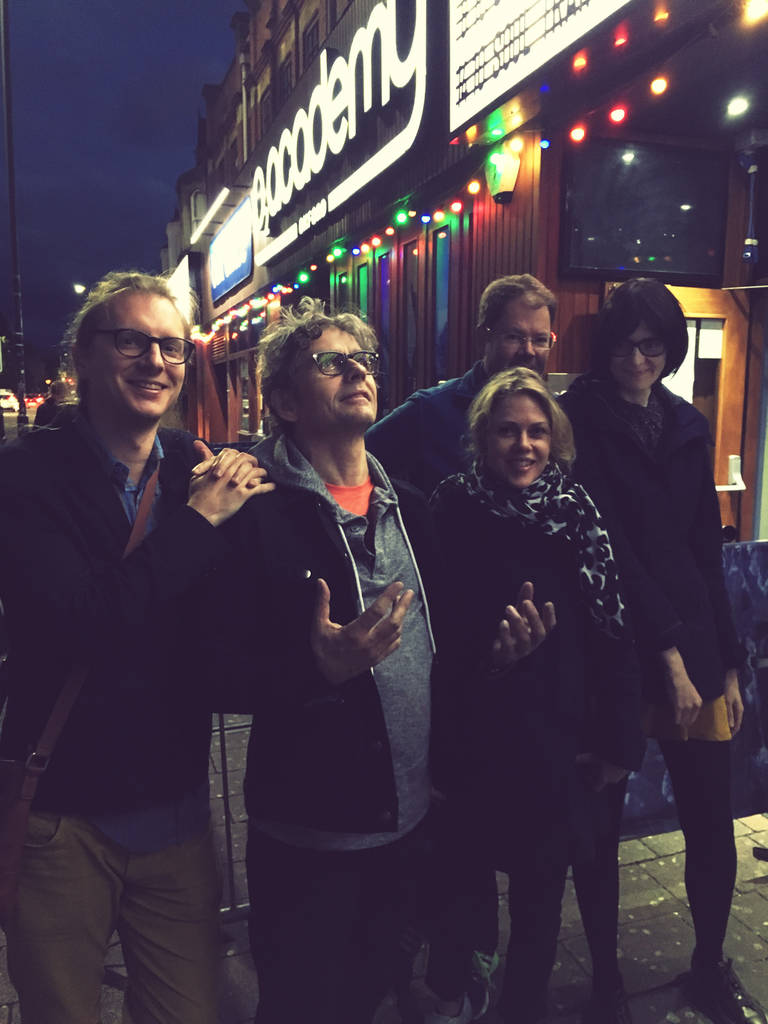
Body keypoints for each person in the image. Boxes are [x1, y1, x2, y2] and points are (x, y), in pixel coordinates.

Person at [0, 270, 271, 1024]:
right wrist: (198, 522)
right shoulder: (26, 477)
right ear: (84, 356)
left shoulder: (194, 464)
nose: (156, 360)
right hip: (63, 817)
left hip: (176, 813)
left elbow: (226, 619)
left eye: (171, 347)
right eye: (132, 341)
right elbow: (86, 619)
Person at [205, 296, 442, 1024]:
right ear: (282, 400)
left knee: (373, 993)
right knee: (303, 1006)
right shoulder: (251, 512)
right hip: (309, 835)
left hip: (407, 822)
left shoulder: (413, 506)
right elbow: (212, 670)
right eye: (328, 362)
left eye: (362, 359)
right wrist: (319, 672)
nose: (355, 371)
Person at [561, 277, 764, 1024]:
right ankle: (605, 982)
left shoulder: (683, 420)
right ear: (605, 345)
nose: (638, 360)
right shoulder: (576, 415)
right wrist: (670, 658)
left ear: (670, 350)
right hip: (616, 650)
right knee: (601, 829)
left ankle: (710, 966)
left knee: (712, 820)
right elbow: (608, 545)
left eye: (653, 346)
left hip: (697, 643)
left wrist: (731, 659)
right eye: (625, 345)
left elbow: (700, 546)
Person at [426, 367, 644, 1024]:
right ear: (482, 438)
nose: (523, 444)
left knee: (541, 901)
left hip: (557, 744)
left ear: (556, 440)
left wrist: (618, 744)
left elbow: (613, 632)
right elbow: (433, 630)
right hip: (474, 743)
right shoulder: (451, 508)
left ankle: (521, 1009)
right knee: (464, 898)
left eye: (537, 431)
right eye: (508, 431)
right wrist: (493, 660)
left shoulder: (576, 513)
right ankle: (461, 994)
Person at [366, 274, 557, 497]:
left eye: (540, 340)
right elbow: (356, 460)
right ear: (483, 338)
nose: (529, 351)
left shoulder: (557, 415)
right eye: (514, 337)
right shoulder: (429, 410)